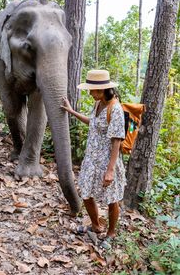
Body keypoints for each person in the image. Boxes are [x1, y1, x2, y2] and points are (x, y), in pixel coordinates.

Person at [61, 69, 126, 249]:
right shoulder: (98, 105)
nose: (90, 93)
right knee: (87, 194)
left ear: (103, 89)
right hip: (91, 160)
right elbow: (93, 122)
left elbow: (116, 141)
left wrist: (111, 170)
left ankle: (111, 233)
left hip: (107, 162)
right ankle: (96, 226)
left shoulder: (116, 109)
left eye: (92, 90)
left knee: (112, 199)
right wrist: (71, 111)